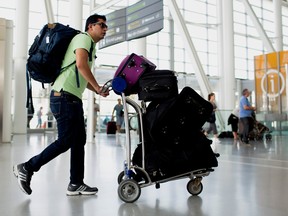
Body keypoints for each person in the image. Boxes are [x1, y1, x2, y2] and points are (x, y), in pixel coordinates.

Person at [13, 14, 109, 196]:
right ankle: (27, 167)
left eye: (106, 27)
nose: (105, 29)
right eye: (102, 25)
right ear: (90, 26)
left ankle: (76, 183)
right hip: (64, 97)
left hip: (71, 97)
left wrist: (97, 90)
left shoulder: (91, 45)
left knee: (78, 141)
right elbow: (81, 64)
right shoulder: (83, 38)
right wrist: (97, 86)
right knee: (65, 141)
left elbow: (80, 72)